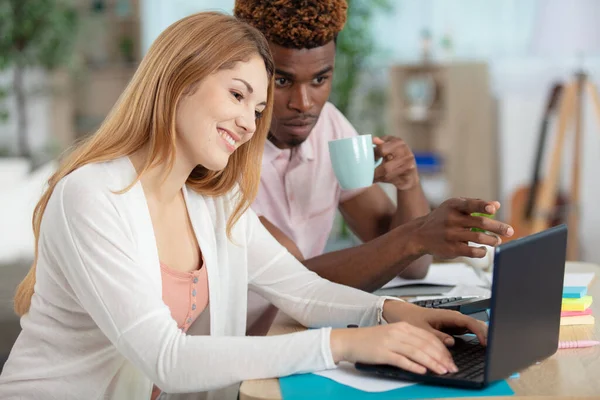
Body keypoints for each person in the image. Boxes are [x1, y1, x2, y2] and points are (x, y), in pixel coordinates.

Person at [0, 12, 488, 400]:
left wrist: (391, 313)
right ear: (178, 80)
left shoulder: (213, 198)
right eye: (237, 95)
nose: (250, 124)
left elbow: (301, 290)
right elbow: (166, 358)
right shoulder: (93, 195)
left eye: (257, 109)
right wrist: (344, 343)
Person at [234, 0, 514, 335]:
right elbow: (296, 283)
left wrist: (408, 184)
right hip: (245, 347)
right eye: (282, 81)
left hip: (298, 332)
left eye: (320, 79)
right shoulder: (227, 152)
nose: (304, 103)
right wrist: (416, 235)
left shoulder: (329, 127)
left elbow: (414, 267)